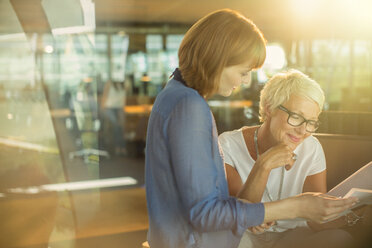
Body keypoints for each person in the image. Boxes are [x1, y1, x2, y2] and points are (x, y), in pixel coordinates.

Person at [145, 9, 357, 248]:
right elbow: (205, 215)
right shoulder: (189, 106)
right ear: (219, 58)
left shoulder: (173, 94)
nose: (245, 81)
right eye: (243, 72)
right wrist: (295, 207)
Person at [219, 69, 357, 248]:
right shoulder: (227, 145)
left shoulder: (311, 148)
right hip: (243, 237)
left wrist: (358, 213)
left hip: (293, 236)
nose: (303, 130)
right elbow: (243, 217)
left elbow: (316, 220)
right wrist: (264, 164)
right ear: (269, 109)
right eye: (296, 117)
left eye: (311, 122)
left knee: (340, 239)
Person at [101, 80, 127, 155]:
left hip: (120, 108)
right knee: (116, 126)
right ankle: (118, 148)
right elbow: (105, 96)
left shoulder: (124, 83)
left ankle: (121, 147)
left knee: (121, 127)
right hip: (109, 108)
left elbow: (123, 97)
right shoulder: (109, 83)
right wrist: (102, 109)